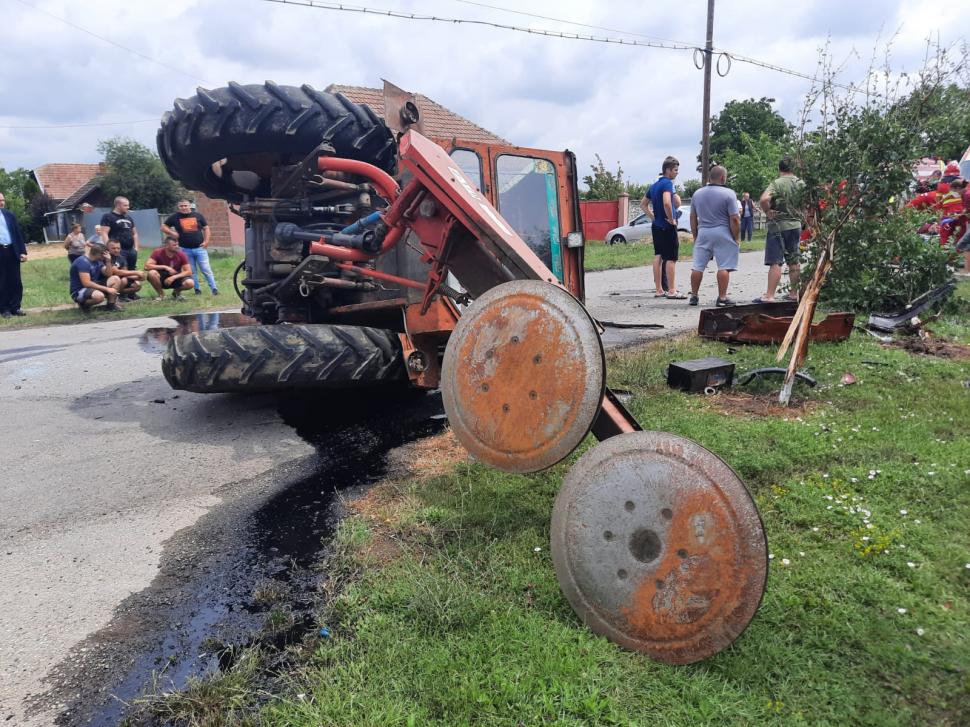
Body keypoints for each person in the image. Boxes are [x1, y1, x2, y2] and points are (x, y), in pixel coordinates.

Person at [687, 166, 741, 307]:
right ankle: (722, 298)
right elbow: (734, 219)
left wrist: (695, 236)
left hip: (703, 232)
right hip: (722, 231)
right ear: (723, 178)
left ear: (709, 177)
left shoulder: (697, 194)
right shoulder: (729, 194)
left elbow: (693, 217)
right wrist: (736, 237)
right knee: (724, 266)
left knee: (698, 266)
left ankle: (694, 295)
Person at [755, 157, 805, 303]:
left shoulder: (777, 183)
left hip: (778, 226)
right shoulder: (800, 183)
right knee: (794, 260)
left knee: (775, 261)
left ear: (780, 169)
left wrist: (768, 211)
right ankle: (794, 293)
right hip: (795, 225)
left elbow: (764, 199)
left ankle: (770, 295)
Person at [160, 199, 219, 296]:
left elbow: (206, 228)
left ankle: (214, 289)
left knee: (206, 269)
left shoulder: (198, 216)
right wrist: (172, 233)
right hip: (185, 249)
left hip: (200, 248)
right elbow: (163, 227)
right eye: (181, 206)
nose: (183, 208)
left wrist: (206, 241)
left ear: (190, 206)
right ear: (178, 207)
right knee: (192, 271)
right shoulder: (175, 217)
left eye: (185, 205)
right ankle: (197, 289)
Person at [648, 156, 686, 299]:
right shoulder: (667, 184)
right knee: (671, 258)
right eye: (675, 170)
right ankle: (672, 290)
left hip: (656, 226)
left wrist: (653, 217)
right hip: (667, 226)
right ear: (668, 170)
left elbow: (643, 204)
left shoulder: (653, 185)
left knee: (658, 256)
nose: (677, 173)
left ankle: (659, 289)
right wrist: (671, 220)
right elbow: (667, 203)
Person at [69, 242, 123, 311]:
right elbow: (86, 283)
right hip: (80, 290)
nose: (106, 256)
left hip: (93, 286)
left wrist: (108, 261)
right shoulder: (82, 262)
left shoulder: (98, 261)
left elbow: (108, 274)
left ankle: (111, 305)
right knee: (99, 296)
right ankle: (83, 305)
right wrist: (107, 289)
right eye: (105, 254)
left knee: (115, 279)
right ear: (99, 254)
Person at [0, 192, 28, 318]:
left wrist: (23, 252)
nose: (2, 202)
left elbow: (17, 234)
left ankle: (15, 307)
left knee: (16, 281)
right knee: (2, 281)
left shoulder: (9, 215)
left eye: (3, 200)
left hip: (12, 251)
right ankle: (4, 309)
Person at [145, 236, 194, 300]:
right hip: (161, 278)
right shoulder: (157, 252)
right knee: (152, 273)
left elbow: (189, 272)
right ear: (166, 245)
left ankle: (176, 293)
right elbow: (147, 266)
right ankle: (161, 295)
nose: (177, 246)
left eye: (177, 244)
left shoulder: (181, 254)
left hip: (176, 277)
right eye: (174, 245)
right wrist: (165, 267)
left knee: (190, 283)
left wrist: (173, 277)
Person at [100, 196, 139, 269]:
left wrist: (136, 248)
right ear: (118, 205)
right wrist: (109, 248)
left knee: (132, 270)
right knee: (122, 271)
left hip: (131, 250)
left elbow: (135, 233)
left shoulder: (129, 218)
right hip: (118, 250)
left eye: (128, 205)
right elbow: (104, 233)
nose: (128, 207)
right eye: (125, 205)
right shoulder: (108, 216)